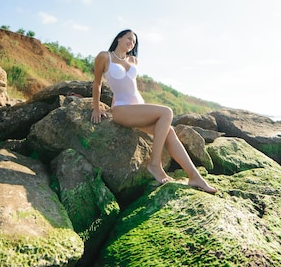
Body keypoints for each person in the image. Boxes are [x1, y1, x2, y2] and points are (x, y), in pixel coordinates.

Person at [90, 29, 217, 194]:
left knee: (169, 131)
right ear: (119, 38)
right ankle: (154, 164)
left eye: (134, 42)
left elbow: (131, 87)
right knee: (166, 112)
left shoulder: (133, 60)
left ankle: (194, 177)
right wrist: (96, 107)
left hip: (138, 109)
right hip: (122, 109)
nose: (131, 43)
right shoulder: (105, 56)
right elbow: (97, 83)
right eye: (129, 38)